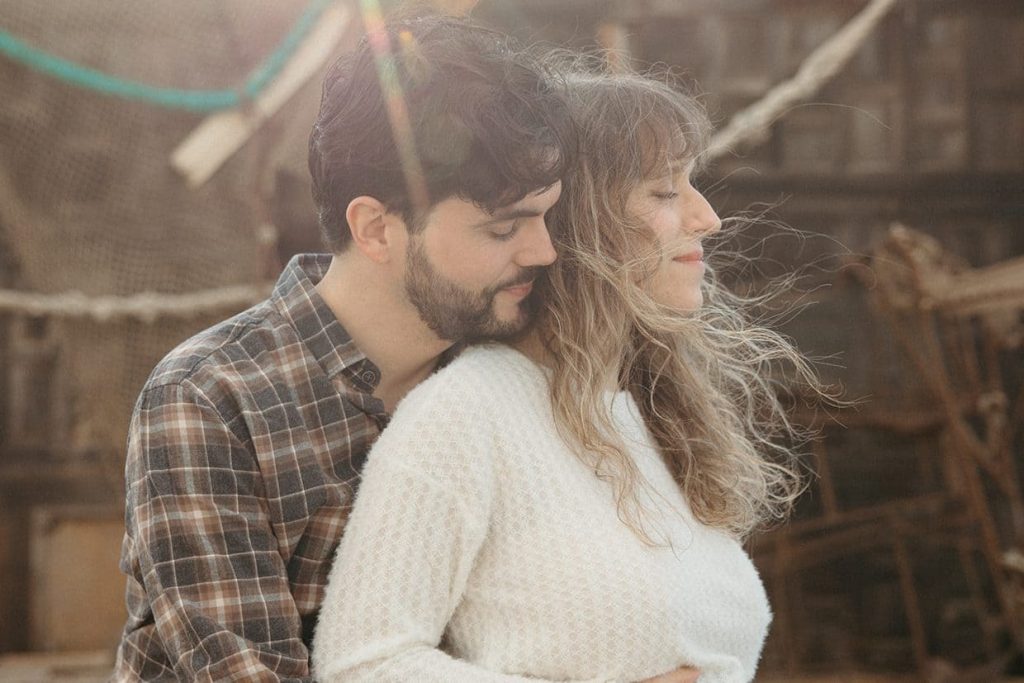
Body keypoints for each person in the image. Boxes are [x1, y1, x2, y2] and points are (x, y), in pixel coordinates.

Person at [311, 59, 826, 683]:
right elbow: (362, 662)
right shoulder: (465, 413)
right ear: (580, 217)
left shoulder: (650, 411)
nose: (706, 218)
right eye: (664, 192)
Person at [112, 9, 576, 680]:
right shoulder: (210, 397)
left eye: (547, 215)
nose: (545, 250)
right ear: (377, 229)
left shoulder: (507, 371)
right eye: (504, 229)